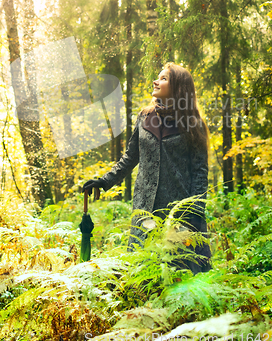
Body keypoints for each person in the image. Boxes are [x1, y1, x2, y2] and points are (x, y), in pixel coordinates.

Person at [83, 63, 211, 274]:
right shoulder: (145, 117)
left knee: (180, 273)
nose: (156, 81)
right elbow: (130, 158)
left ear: (178, 86)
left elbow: (200, 174)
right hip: (144, 209)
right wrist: (104, 181)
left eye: (163, 78)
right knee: (143, 272)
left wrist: (193, 214)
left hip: (178, 212)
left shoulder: (193, 123)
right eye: (157, 77)